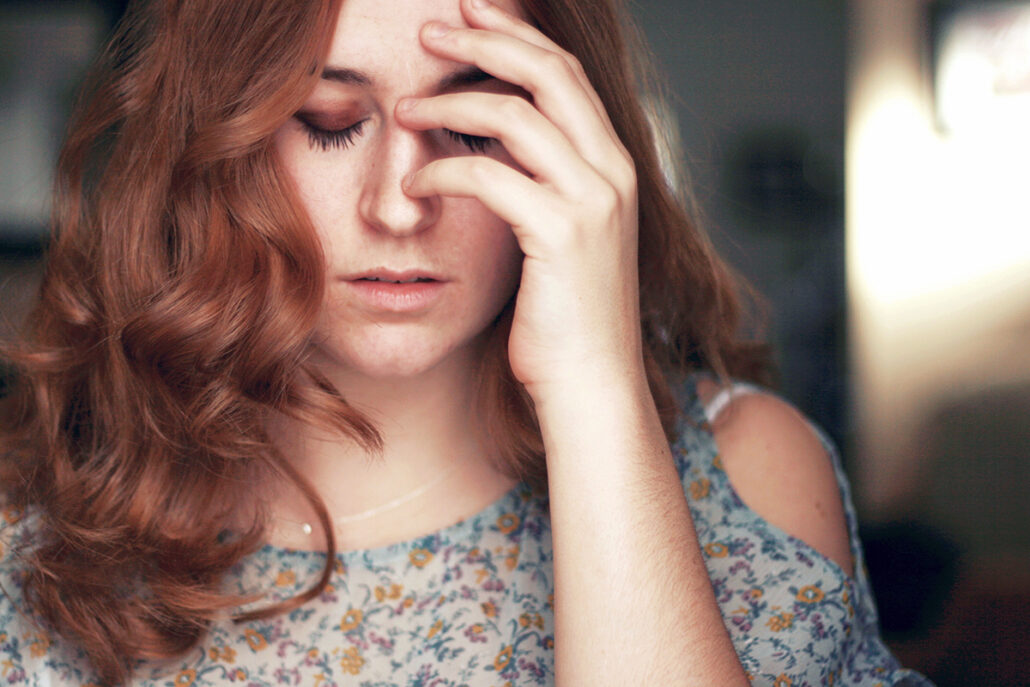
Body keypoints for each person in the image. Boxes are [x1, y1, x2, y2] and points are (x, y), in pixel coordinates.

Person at [0, 0, 932, 685]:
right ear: (218, 147)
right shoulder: (39, 528)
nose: (399, 204)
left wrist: (593, 388)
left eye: (470, 126)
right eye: (329, 124)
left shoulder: (742, 478)